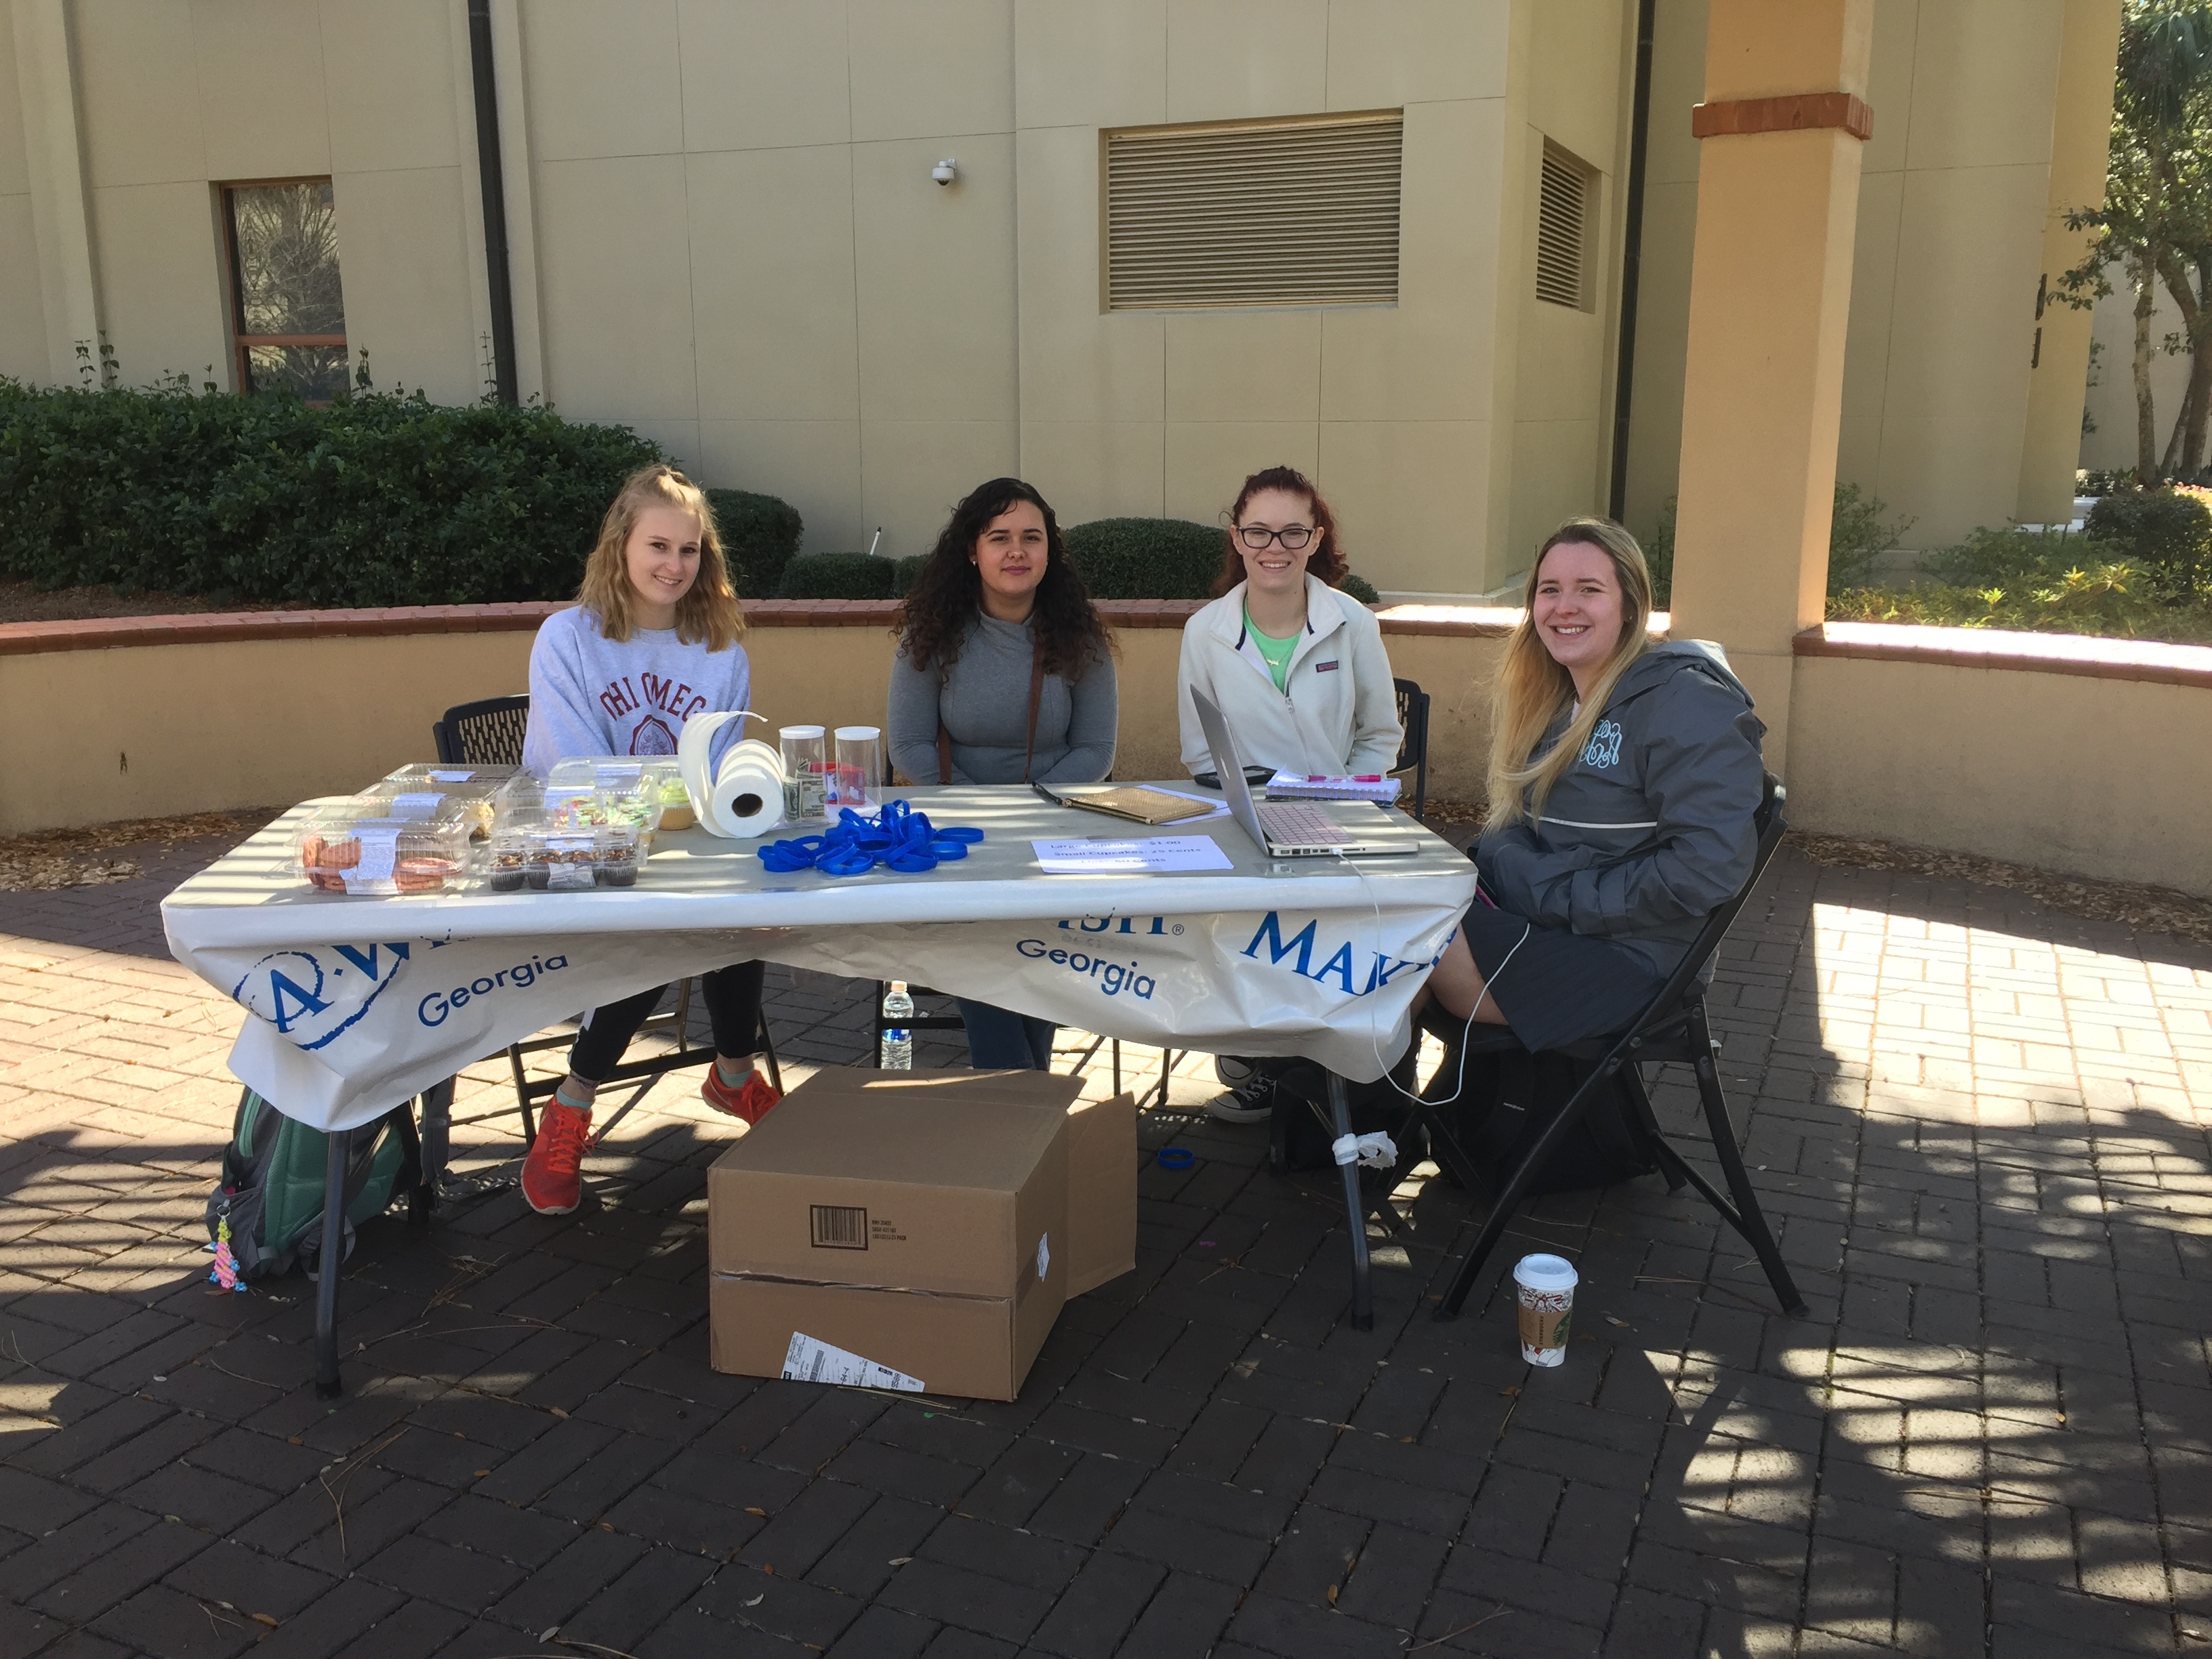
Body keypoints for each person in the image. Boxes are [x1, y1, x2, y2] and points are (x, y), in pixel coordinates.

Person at [516, 464, 779, 1215]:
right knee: (664, 920)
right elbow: (573, 769)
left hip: (685, 849)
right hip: (585, 846)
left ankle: (726, 1075)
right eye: (658, 546)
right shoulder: (569, 638)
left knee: (743, 900)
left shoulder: (721, 649)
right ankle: (577, 1103)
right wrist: (662, 816)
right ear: (621, 546)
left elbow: (721, 772)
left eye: (689, 550)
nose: (674, 565)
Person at [1419, 516, 1764, 1055]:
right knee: (1396, 921)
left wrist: (1555, 894)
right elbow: (1512, 827)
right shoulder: (1556, 702)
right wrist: (1531, 882)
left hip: (1635, 958)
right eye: (1549, 590)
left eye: (1589, 590)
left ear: (1630, 605)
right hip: (1556, 923)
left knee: (1408, 948)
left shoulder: (1686, 701)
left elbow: (1707, 868)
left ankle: (1363, 1105)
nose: (1565, 607)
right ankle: (1375, 1104)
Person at [1177, 464, 1401, 1121]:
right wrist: (1258, 813)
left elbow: (1380, 735)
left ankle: (1299, 1077)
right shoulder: (1204, 632)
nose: (1274, 547)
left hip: (1341, 825)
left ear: (1316, 538)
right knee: (1246, 936)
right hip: (1247, 826)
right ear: (1237, 537)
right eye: (1259, 532)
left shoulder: (1353, 623)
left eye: (1292, 532)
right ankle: (1264, 1060)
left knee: (1333, 951)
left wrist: (1347, 803)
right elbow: (1200, 753)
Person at [887, 477, 1118, 1069]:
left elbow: (1096, 750)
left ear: (1049, 550)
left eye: (1031, 537)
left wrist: (1031, 812)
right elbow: (909, 744)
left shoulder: (1080, 636)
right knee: (982, 940)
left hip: (1053, 829)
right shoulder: (932, 632)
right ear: (972, 550)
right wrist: (982, 812)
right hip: (959, 831)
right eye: (999, 537)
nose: (1017, 551)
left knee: (1040, 945)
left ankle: (1018, 1094)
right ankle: (1022, 1088)